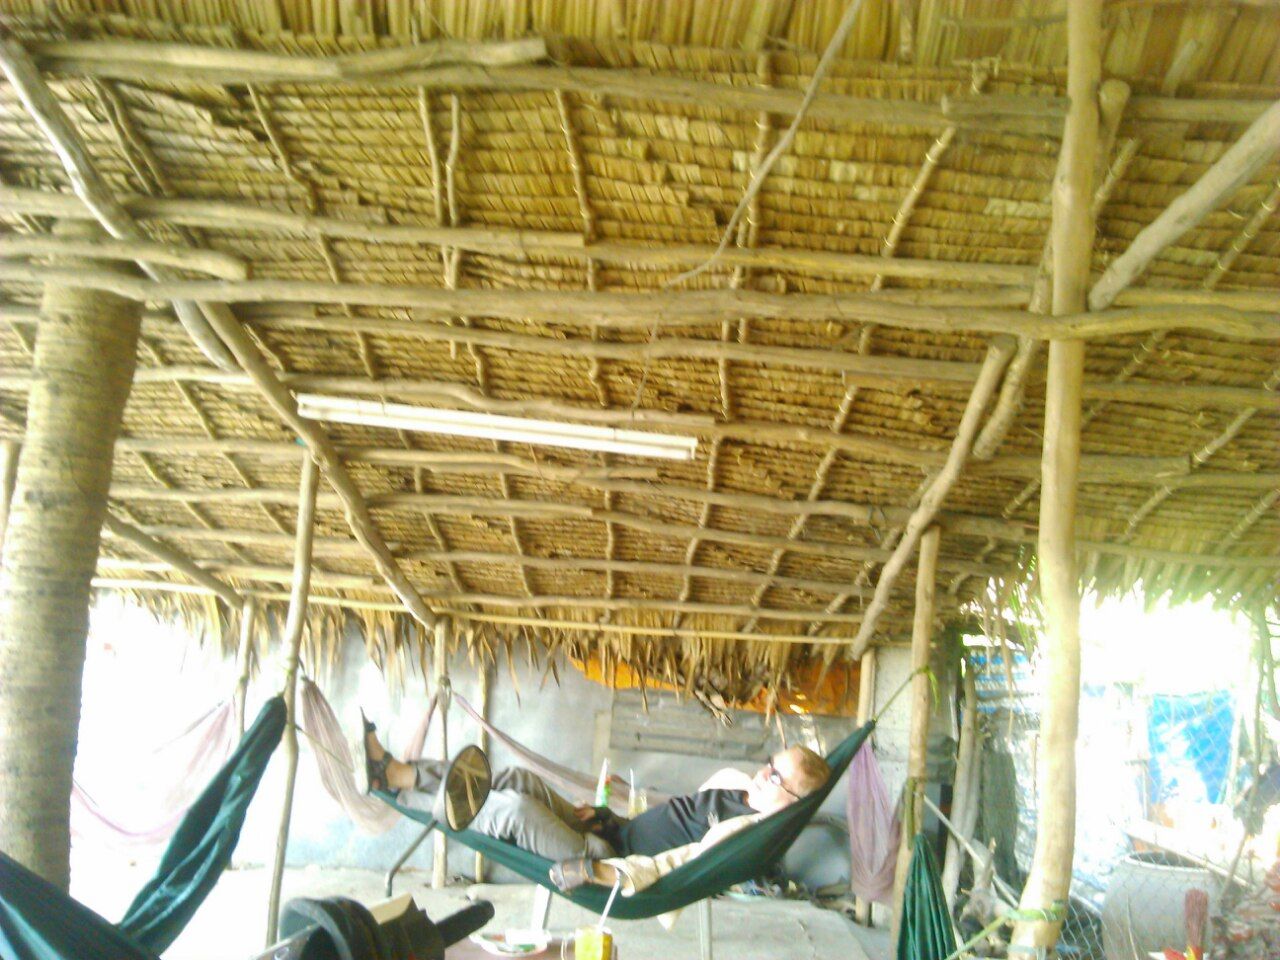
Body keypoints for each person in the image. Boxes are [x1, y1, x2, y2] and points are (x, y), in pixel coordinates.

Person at [358, 721, 830, 889]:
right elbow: (662, 827)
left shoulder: (741, 832)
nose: (764, 772)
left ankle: (417, 797)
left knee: (514, 810)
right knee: (519, 778)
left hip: (606, 863)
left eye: (777, 777)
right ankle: (401, 775)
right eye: (770, 762)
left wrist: (608, 868)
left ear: (790, 803)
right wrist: (608, 817)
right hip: (610, 833)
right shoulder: (735, 790)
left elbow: (671, 865)